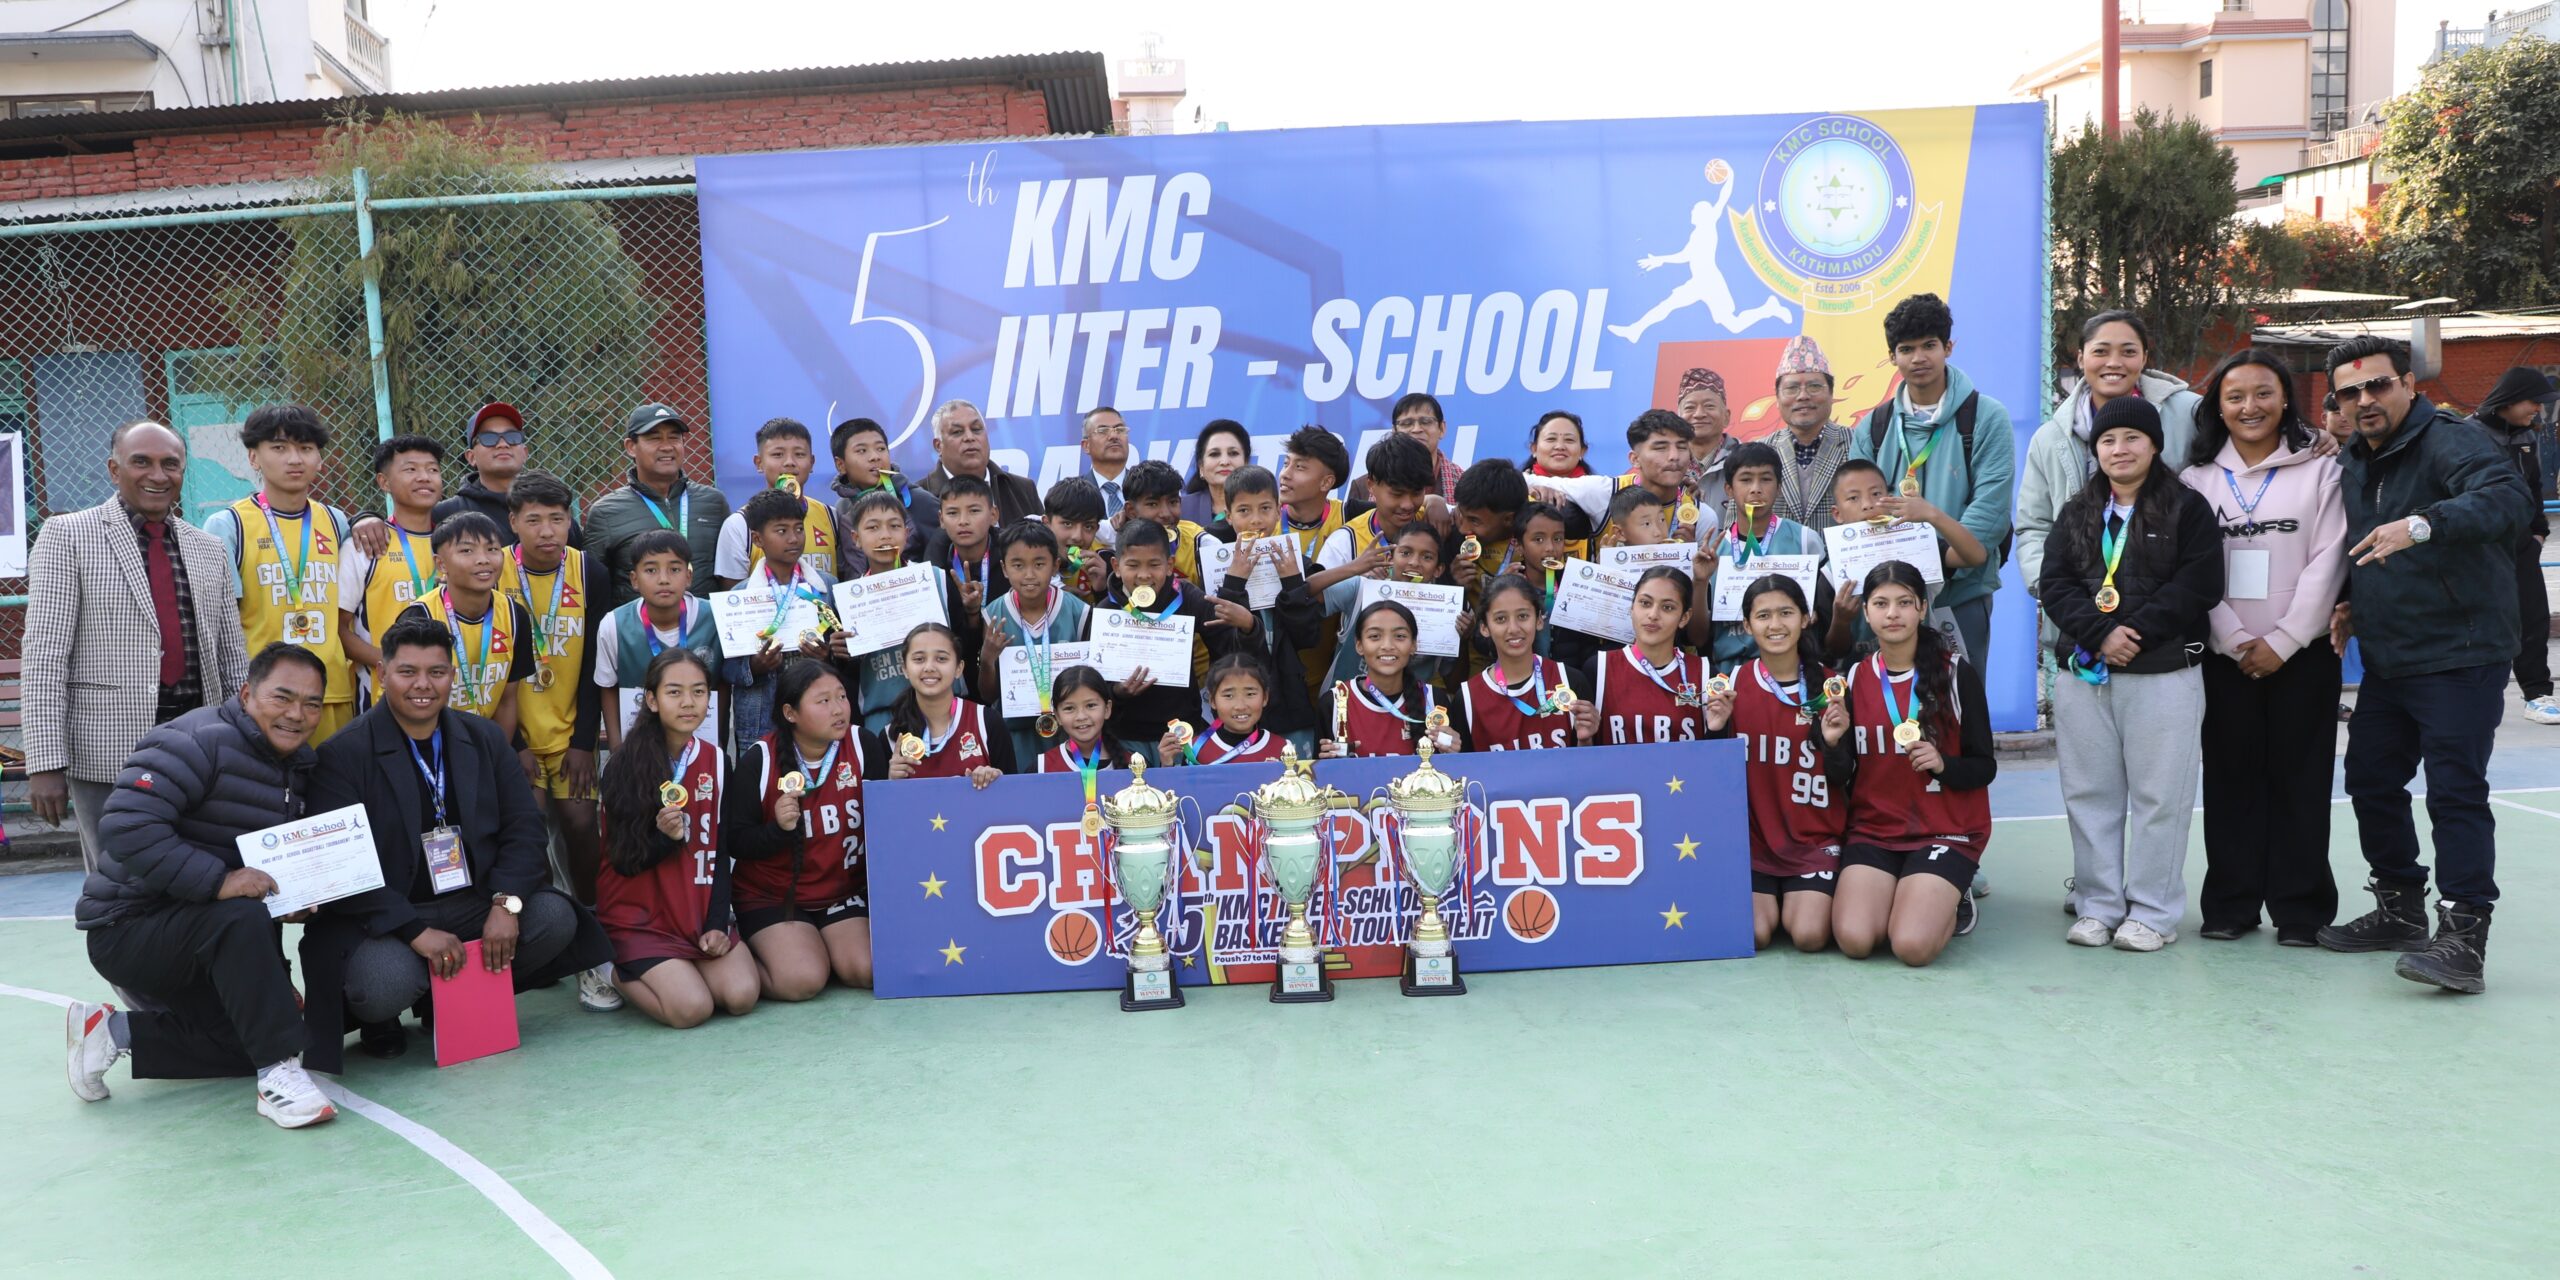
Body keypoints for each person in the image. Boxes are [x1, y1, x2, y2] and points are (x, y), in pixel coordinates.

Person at [2317, 336, 2535, 993]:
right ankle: (2400, 909)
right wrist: (2353, 602)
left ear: (2409, 384)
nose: (2364, 400)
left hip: (2461, 652)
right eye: (2350, 392)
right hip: (2391, 656)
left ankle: (2464, 937)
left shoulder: (2451, 440)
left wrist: (2422, 524)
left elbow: (2509, 501)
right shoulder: (2354, 458)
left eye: (2378, 385)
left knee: (2454, 791)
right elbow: (2367, 545)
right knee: (2370, 779)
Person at [303, 615, 611, 1066]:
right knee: (382, 983)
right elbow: (343, 870)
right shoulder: (342, 754)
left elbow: (524, 826)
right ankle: (384, 1017)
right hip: (394, 912)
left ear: (452, 675)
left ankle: (444, 1001)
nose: (422, 685)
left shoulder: (483, 737)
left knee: (554, 917)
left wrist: (505, 904)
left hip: (474, 899)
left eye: (436, 672)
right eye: (407, 672)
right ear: (382, 673)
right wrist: (414, 931)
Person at [64, 644, 331, 1128]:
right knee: (240, 917)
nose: (297, 714)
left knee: (247, 1039)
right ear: (247, 694)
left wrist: (285, 900)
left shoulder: (296, 766)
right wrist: (218, 881)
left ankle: (112, 1032)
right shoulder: (195, 739)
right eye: (282, 697)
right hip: (128, 928)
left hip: (202, 929)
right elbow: (126, 828)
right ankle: (278, 1077)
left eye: (312, 704)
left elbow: (252, 878)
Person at [25, 420, 250, 874]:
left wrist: (246, 742)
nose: (157, 475)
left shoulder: (208, 549)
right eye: (141, 462)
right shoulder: (68, 535)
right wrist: (45, 763)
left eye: (171, 464)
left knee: (200, 873)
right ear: (115, 470)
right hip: (107, 752)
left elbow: (232, 658)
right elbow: (45, 656)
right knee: (118, 883)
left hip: (199, 746)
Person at [2039, 396, 2223, 953]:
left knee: (2160, 797)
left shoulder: (2187, 507)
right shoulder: (2077, 511)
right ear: (2095, 450)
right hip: (2087, 674)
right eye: (2107, 440)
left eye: (2132, 438)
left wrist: (2132, 633)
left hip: (2164, 673)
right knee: (2089, 794)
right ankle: (2098, 905)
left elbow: (2199, 585)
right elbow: (2055, 584)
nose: (2119, 449)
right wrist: (2100, 634)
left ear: (2155, 445)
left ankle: (2152, 912)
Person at [2179, 351, 2347, 945]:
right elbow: (2191, 570)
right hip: (2225, 657)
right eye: (2235, 397)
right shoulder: (2195, 480)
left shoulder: (2321, 470)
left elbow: (2329, 559)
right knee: (2230, 779)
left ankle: (2301, 909)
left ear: (2285, 399)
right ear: (2217, 408)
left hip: (2304, 654)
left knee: (2302, 779)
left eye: (2263, 393)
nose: (2250, 407)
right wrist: (2231, 639)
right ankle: (2231, 903)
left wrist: (2285, 639)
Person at [1832, 561, 1996, 964]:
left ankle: (1954, 892)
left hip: (1945, 830)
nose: (1893, 614)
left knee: (1911, 946)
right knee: (1855, 940)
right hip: (1875, 830)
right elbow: (1841, 773)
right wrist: (1831, 742)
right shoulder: (1854, 677)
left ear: (1922, 608)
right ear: (1865, 612)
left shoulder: (1955, 673)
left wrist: (1944, 765)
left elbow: (1985, 766)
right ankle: (1908, 891)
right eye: (1881, 604)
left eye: (1904, 602)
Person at [594, 648, 759, 1027]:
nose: (688, 702)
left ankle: (682, 966)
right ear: (651, 700)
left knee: (741, 995)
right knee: (690, 1009)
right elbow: (624, 862)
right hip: (641, 916)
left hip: (694, 911)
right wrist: (666, 838)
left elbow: (719, 852)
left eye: (699, 692)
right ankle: (602, 966)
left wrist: (717, 922)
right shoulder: (623, 765)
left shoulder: (718, 761)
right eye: (674, 692)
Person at [497, 472, 613, 1009]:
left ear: (571, 520)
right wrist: (515, 744)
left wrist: (586, 741)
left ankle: (591, 928)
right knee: (529, 837)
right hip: (517, 734)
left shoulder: (590, 570)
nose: (547, 531)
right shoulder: (494, 569)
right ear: (514, 522)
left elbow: (595, 664)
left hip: (571, 734)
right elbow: (496, 670)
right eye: (534, 520)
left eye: (557, 519)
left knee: (582, 826)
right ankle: (548, 940)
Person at [1850, 293, 2015, 663]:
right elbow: (1858, 509)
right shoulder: (1873, 426)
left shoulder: (1987, 417)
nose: (1918, 358)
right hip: (1889, 599)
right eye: (1906, 349)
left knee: (1959, 696)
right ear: (1892, 356)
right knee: (1888, 696)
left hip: (1960, 595)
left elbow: (1989, 516)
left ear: (1948, 348)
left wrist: (1942, 558)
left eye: (1929, 345)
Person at [2017, 311, 2205, 628]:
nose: (2114, 363)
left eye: (2128, 351)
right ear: (2081, 358)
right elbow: (2034, 526)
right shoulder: (2050, 438)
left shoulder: (2188, 413)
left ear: (2144, 357)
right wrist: (2059, 595)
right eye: (2101, 351)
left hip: (2167, 619)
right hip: (2080, 620)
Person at [726, 659, 891, 998]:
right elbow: (735, 841)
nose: (839, 709)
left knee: (869, 969)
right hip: (771, 896)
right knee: (803, 980)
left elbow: (886, 827)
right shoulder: (760, 759)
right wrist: (778, 829)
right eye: (823, 701)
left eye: (841, 696)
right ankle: (740, 961)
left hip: (841, 893)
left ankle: (816, 948)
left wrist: (898, 787)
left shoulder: (862, 744)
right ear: (790, 713)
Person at [1704, 575, 1848, 953]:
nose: (1775, 625)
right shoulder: (1731, 684)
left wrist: (1834, 744)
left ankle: (1802, 900)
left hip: (1814, 842)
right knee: (1754, 934)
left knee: (1808, 936)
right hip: (1754, 844)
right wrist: (1715, 731)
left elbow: (1846, 776)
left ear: (1806, 618)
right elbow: (1714, 781)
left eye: (1786, 613)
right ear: (1747, 625)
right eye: (1763, 615)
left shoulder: (1832, 687)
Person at [200, 404, 360, 745]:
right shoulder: (228, 525)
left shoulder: (337, 522)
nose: (294, 459)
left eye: (306, 448)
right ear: (253, 457)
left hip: (331, 693)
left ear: (319, 459)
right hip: (264, 699)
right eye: (279, 448)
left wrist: (368, 518)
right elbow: (219, 621)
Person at [1086, 518, 1253, 755]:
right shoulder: (1105, 611)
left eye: (1154, 564)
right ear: (1116, 566)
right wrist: (1117, 692)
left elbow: (1226, 646)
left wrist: (1247, 627)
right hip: (1125, 737)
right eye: (1133, 565)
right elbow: (1091, 683)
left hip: (1182, 732)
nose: (1144, 575)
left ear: (1169, 565)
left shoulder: (1187, 597)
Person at [2459, 367, 2558, 723]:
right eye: (2533, 401)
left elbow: (2533, 486)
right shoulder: (2465, 434)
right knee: (2476, 621)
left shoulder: (2526, 436)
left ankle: (2538, 695)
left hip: (2520, 545)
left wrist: (2538, 532)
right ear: (2510, 399)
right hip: (2477, 546)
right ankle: (2468, 694)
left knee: (2533, 617)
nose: (2538, 409)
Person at [396, 513, 536, 740]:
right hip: (428, 740)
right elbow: (404, 702)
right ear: (441, 564)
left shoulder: (514, 615)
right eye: (467, 550)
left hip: (485, 741)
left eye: (492, 549)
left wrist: (496, 754)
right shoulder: (420, 617)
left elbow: (507, 700)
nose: (483, 559)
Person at [720, 488, 840, 748]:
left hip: (819, 717)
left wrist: (827, 655)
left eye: (799, 529)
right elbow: (727, 668)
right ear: (757, 538)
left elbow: (844, 654)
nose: (794, 538)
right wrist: (754, 666)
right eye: (781, 531)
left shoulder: (827, 587)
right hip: (761, 721)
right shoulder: (739, 596)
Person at [1695, 441, 1827, 673]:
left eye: (1766, 479)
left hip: (1796, 669)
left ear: (1779, 487)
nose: (1756, 488)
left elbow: (1823, 616)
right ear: (1729, 489)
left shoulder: (1805, 540)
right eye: (1746, 480)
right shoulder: (1713, 551)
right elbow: (1698, 637)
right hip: (1730, 673)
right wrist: (1699, 581)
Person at [586, 403, 729, 614]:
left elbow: (729, 576)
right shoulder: (606, 513)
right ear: (631, 447)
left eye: (674, 437)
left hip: (707, 627)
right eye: (654, 438)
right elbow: (595, 590)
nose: (667, 446)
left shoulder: (713, 503)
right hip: (640, 631)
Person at [595, 530, 722, 750]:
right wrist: (616, 747)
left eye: (674, 569)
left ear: (688, 576)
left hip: (700, 744)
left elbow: (724, 683)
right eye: (651, 570)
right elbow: (608, 687)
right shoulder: (613, 625)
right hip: (638, 746)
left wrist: (719, 744)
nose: (663, 579)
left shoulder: (716, 618)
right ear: (634, 579)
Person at [337, 434, 446, 686]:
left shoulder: (456, 546)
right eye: (411, 470)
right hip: (379, 691)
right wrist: (392, 663)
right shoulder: (365, 545)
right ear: (384, 482)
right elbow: (338, 629)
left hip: (445, 687)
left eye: (432, 469)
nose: (424, 477)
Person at [981, 519, 1091, 765]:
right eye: (1018, 565)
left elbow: (1091, 679)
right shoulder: (993, 615)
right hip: (1015, 736)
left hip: (1068, 733)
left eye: (1039, 564)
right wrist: (987, 660)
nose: (1029, 574)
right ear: (1004, 568)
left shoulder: (1078, 612)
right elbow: (988, 695)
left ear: (1055, 566)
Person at [1572, 567, 1711, 746]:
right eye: (1645, 603)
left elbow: (1718, 754)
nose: (1653, 615)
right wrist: (1584, 739)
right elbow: (1584, 754)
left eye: (1667, 607)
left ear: (1684, 617)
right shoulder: (1599, 668)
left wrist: (1716, 728)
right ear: (1632, 607)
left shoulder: (1704, 673)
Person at [1450, 575, 1588, 751]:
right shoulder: (1468, 698)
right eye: (1501, 619)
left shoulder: (1571, 681)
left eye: (1523, 616)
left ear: (1539, 620)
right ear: (1484, 627)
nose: (1514, 629)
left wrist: (1587, 740)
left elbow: (1589, 760)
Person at [428, 402, 585, 549]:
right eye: (489, 438)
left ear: (525, 453)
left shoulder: (552, 507)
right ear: (471, 457)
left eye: (512, 437)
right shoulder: (446, 513)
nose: (503, 444)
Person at [1319, 600, 1462, 758]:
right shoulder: (1334, 701)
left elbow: (1452, 769)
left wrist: (1453, 754)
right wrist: (1326, 764)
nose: (1387, 645)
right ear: (1359, 645)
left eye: (1400, 636)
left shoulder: (1433, 700)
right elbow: (1319, 771)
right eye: (1375, 636)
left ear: (1413, 645)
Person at [714, 416, 839, 589]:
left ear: (811, 463)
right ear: (759, 463)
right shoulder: (739, 524)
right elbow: (734, 595)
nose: (789, 462)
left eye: (799, 454)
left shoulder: (831, 517)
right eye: (777, 455)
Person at [883, 623, 1014, 783]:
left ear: (959, 668)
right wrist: (890, 782)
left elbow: (1015, 792)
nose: (929, 667)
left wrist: (995, 780)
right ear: (904, 669)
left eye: (941, 659)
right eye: (919, 659)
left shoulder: (987, 722)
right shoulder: (890, 736)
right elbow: (878, 798)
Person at [1311, 433, 1439, 597]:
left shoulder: (1436, 520)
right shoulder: (1344, 542)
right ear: (1371, 485)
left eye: (1416, 493)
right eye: (1397, 494)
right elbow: (1316, 598)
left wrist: (1438, 502)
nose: (1407, 505)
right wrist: (1355, 577)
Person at [829, 415, 943, 567]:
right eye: (862, 451)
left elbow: (945, 557)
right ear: (840, 465)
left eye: (881, 449)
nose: (875, 457)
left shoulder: (918, 501)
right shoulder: (841, 509)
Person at [1768, 335, 1854, 531]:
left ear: (1831, 394)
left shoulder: (1859, 443)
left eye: (1814, 387)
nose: (1803, 396)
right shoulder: (1759, 451)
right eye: (1791, 388)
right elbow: (1737, 526)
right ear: (1777, 398)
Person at [917, 399, 1040, 522]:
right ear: (938, 446)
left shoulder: (1023, 489)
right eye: (957, 432)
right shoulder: (918, 499)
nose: (969, 437)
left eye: (976, 429)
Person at [1170, 654, 1292, 765]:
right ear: (1212, 701)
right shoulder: (1195, 749)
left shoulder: (1283, 748)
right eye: (1229, 696)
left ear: (1265, 697)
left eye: (1250, 694)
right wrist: (1167, 765)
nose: (1240, 706)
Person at [1349, 393, 1466, 503]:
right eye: (1406, 423)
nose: (1416, 429)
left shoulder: (1462, 482)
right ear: (1394, 432)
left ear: (1442, 429)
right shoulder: (1364, 487)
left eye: (1425, 422)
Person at [1673, 367, 1735, 519]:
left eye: (1709, 406)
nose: (1699, 414)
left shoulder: (1745, 461)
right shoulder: (1667, 463)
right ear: (1678, 418)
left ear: (1726, 417)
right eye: (1690, 407)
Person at [1036, 665, 1123, 773]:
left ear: (1107, 709)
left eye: (1090, 705)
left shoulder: (1134, 764)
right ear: (1057, 716)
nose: (1081, 716)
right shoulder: (1042, 767)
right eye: (1069, 708)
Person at [1180, 418, 1253, 526]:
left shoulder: (1264, 506)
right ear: (1201, 467)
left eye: (1233, 453)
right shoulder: (1181, 510)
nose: (1224, 462)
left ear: (1246, 462)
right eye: (1214, 454)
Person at [1077, 406, 1134, 520]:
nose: (1114, 436)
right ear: (1086, 446)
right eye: (1103, 431)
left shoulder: (1146, 489)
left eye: (1120, 430)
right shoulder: (1073, 494)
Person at [1525, 410, 1590, 480]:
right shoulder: (1521, 484)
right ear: (1534, 449)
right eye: (1551, 439)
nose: (1560, 446)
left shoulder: (1595, 485)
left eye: (1569, 440)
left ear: (1582, 451)